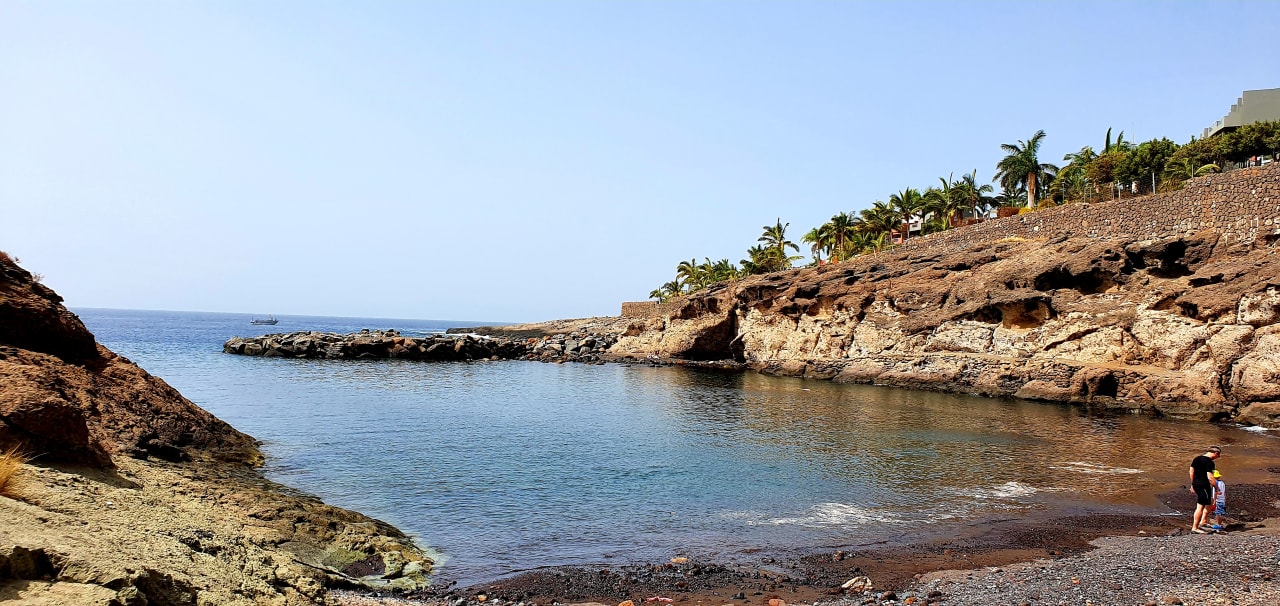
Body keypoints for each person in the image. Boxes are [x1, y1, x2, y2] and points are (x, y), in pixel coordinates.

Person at [1188, 446, 1221, 534]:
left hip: (1197, 484)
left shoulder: (1197, 458)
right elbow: (1210, 477)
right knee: (1200, 506)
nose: (1217, 458)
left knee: (1208, 502)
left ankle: (1203, 521)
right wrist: (1216, 488)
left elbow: (1191, 471)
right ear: (1215, 453)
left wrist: (1193, 483)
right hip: (1203, 485)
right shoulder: (1209, 462)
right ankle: (1195, 527)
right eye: (1218, 456)